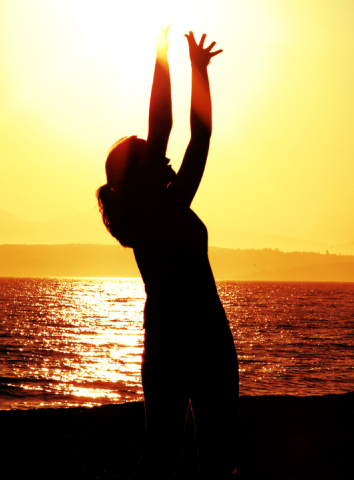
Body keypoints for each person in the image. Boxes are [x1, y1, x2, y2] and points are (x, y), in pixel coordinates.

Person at [96, 27, 239, 479]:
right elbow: (166, 127)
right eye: (153, 156)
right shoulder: (148, 211)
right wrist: (163, 56)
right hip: (180, 340)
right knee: (165, 456)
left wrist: (200, 72)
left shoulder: (173, 203)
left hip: (204, 336)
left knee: (209, 457)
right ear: (139, 176)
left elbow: (201, 137)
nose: (165, 157)